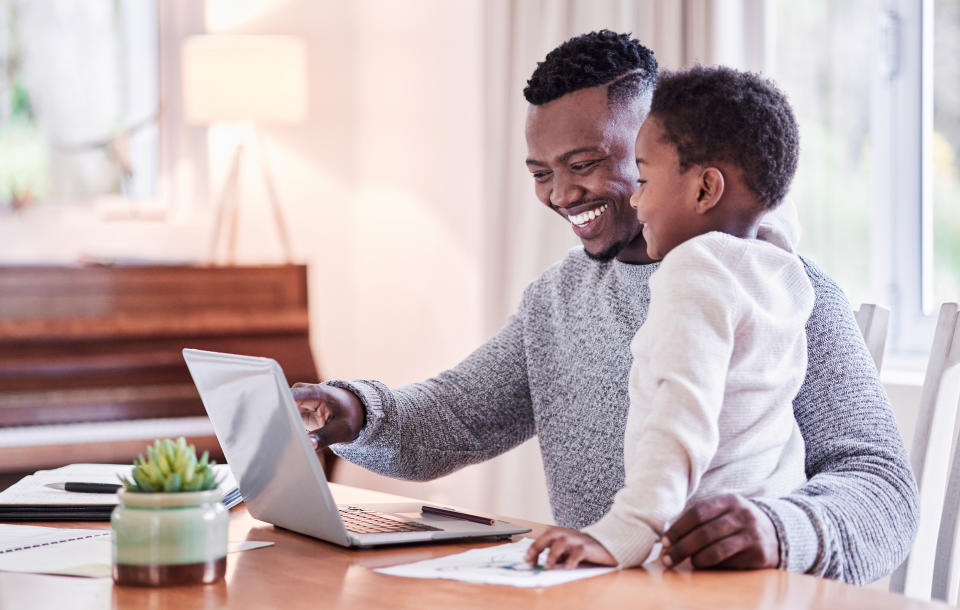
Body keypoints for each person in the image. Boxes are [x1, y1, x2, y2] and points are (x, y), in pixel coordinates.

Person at [292, 30, 918, 584]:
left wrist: (781, 530)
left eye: (585, 164)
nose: (562, 194)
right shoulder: (560, 301)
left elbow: (884, 494)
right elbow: (457, 417)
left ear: (659, 144)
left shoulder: (784, 287)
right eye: (541, 172)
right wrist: (355, 411)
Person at [524, 65, 812, 570]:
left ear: (704, 190)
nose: (637, 197)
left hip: (690, 564)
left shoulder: (693, 271)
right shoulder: (778, 269)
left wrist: (626, 531)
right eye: (542, 173)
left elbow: (681, 417)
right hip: (768, 574)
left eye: (646, 176)